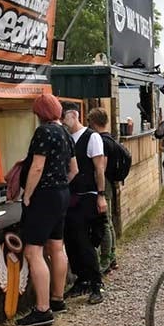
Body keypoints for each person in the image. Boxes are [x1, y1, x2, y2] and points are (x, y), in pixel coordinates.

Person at [16, 94, 77, 326]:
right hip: (62, 193)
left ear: (40, 113)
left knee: (33, 251)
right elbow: (74, 169)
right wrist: (61, 185)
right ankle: (57, 299)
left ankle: (43, 310)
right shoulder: (65, 133)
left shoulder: (44, 132)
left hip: (44, 195)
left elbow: (37, 166)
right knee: (56, 246)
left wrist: (28, 194)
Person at [61, 101, 107, 305]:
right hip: (70, 195)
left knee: (83, 240)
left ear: (73, 115)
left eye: (64, 117)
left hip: (87, 194)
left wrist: (101, 194)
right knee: (71, 239)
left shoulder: (92, 137)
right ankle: (82, 279)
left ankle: (96, 283)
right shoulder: (67, 138)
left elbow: (99, 169)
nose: (62, 121)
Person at [87, 108, 118, 274]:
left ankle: (105, 259)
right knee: (109, 222)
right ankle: (112, 256)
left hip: (103, 185)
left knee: (105, 222)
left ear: (93, 122)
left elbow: (101, 167)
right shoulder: (111, 138)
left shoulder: (101, 141)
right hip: (110, 184)